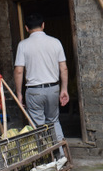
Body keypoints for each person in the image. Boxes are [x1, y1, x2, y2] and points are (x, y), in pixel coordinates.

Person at [14, 13, 69, 146]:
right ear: (43, 25)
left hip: (34, 91)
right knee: (54, 121)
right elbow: (64, 68)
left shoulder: (23, 45)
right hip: (53, 89)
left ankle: (46, 155)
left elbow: (19, 71)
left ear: (26, 28)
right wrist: (64, 89)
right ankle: (61, 153)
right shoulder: (55, 42)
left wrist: (19, 94)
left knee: (38, 126)